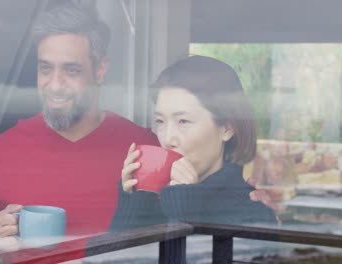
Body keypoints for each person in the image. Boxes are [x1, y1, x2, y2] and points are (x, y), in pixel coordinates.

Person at [0, 3, 158, 263]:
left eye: (71, 70)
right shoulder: (4, 150)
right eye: (45, 69)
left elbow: (177, 236)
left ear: (100, 70)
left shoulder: (142, 147)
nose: (55, 85)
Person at [110, 56, 277, 232]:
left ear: (227, 129)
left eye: (183, 121)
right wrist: (132, 204)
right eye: (160, 121)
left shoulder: (254, 212)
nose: (167, 139)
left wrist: (186, 212)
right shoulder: (150, 200)